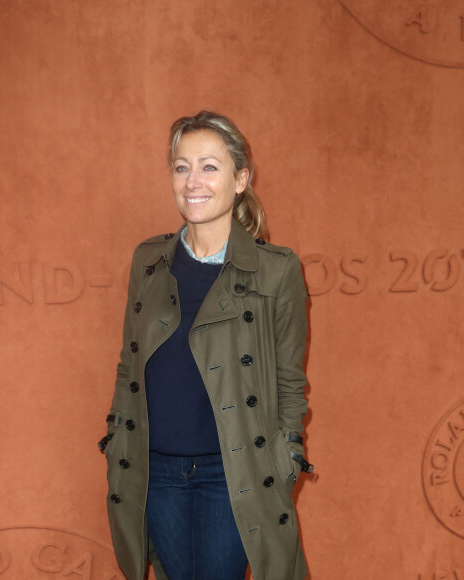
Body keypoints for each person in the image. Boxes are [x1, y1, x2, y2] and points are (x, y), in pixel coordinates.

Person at [100, 111, 313, 580]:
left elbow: (289, 380)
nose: (192, 181)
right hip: (156, 472)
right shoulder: (147, 261)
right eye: (181, 166)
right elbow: (128, 364)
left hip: (233, 474)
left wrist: (287, 455)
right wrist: (117, 435)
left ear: (241, 179)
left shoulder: (276, 271)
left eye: (209, 166)